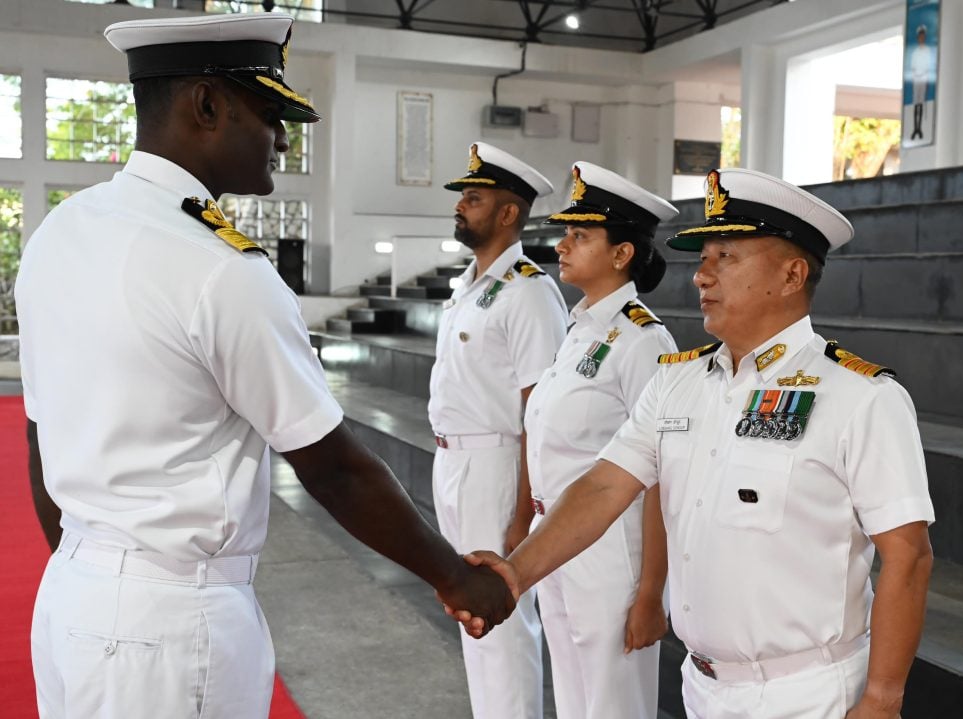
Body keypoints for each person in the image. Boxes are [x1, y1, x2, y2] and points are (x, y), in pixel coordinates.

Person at [16, 14, 512, 719]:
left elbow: (40, 432)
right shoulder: (219, 267)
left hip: (72, 597)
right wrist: (455, 576)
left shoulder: (60, 232)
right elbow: (332, 468)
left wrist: (96, 573)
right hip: (168, 624)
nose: (282, 137)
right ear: (206, 105)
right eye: (268, 114)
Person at [458, 168, 936, 719]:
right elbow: (605, 486)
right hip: (704, 686)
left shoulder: (860, 396)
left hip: (808, 691)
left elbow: (909, 556)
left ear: (792, 274)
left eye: (725, 257)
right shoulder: (676, 381)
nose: (701, 277)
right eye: (703, 258)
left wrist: (881, 700)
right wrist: (516, 573)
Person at [525, 162, 679, 718]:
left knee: (614, 705)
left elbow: (661, 474)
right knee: (572, 699)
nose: (562, 246)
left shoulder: (644, 340)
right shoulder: (580, 329)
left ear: (621, 254)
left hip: (610, 548)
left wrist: (651, 592)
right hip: (558, 536)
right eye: (566, 234)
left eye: (580, 236)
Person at [429, 141, 568, 719]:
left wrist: (523, 511)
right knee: (471, 615)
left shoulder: (528, 291)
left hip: (495, 466)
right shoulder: (469, 286)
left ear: (509, 213)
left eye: (474, 198)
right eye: (463, 196)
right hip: (452, 463)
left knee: (501, 619)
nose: (461, 205)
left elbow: (541, 410)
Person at [909, 24, 934, 141]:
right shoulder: (915, 52)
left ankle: (920, 128)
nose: (921, 38)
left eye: (923, 36)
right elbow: (912, 67)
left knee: (921, 104)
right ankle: (915, 128)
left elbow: (928, 66)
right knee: (916, 104)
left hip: (924, 78)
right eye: (920, 36)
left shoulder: (928, 51)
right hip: (916, 79)